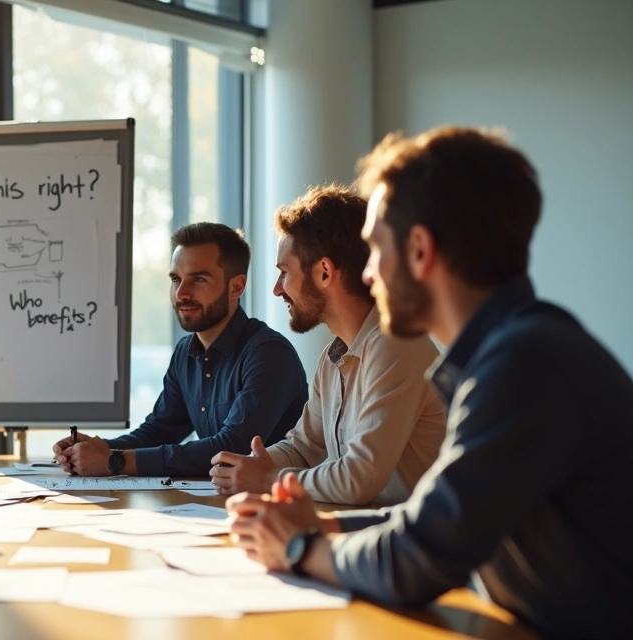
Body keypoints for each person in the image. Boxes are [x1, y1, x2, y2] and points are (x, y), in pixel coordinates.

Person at [226, 127, 633, 639]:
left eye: (374, 249)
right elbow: (435, 521)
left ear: (420, 250)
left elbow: (418, 559)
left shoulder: (524, 364)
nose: (368, 275)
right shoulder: (515, 352)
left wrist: (299, 549)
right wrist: (325, 527)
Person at [210, 186, 445, 506]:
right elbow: (304, 447)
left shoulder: (396, 345)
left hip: (413, 546)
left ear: (324, 272)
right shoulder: (334, 356)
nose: (278, 290)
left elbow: (358, 478)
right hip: (370, 533)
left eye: (284, 273)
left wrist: (266, 480)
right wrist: (258, 463)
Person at [52, 222, 307, 477]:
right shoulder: (185, 352)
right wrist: (99, 448)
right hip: (217, 503)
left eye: (197, 279)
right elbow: (160, 431)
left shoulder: (269, 354)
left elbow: (232, 448)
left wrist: (113, 461)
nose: (181, 293)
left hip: (275, 507)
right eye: (176, 279)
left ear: (236, 287)